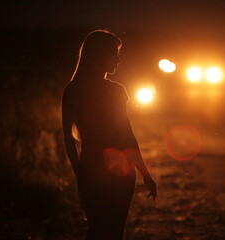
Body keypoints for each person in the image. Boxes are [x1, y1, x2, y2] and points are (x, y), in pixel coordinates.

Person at [61, 30, 157, 240]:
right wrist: (146, 175)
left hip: (89, 169)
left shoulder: (72, 89)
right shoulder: (114, 90)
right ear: (99, 55)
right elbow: (127, 136)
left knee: (95, 230)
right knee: (114, 232)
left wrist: (80, 171)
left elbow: (69, 139)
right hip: (120, 173)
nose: (119, 60)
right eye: (115, 54)